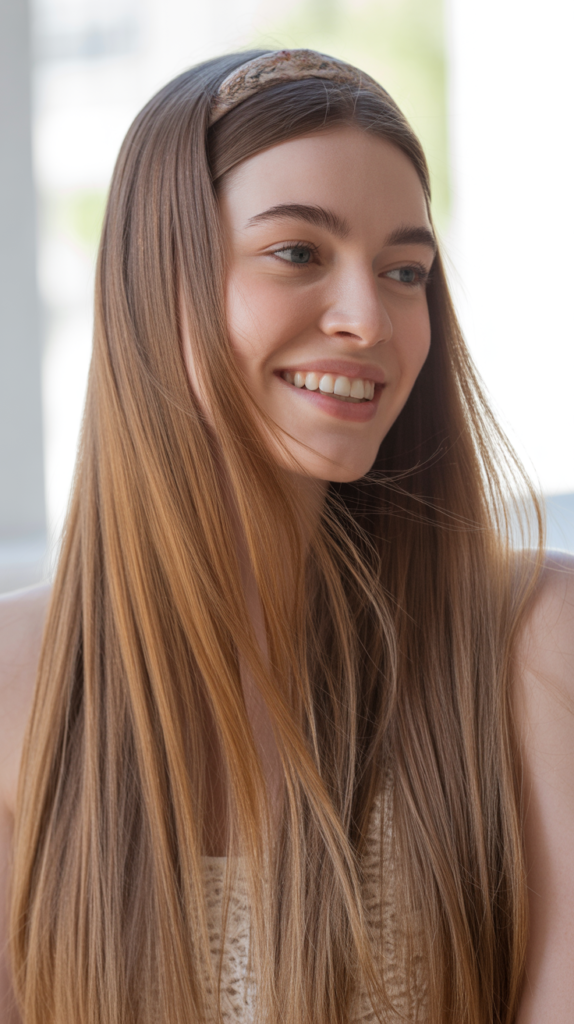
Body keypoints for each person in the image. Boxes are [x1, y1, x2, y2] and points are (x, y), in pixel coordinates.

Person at [0, 48, 573, 1024]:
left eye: (405, 271)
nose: (370, 318)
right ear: (156, 277)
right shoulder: (18, 687)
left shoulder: (532, 639)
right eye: (298, 252)